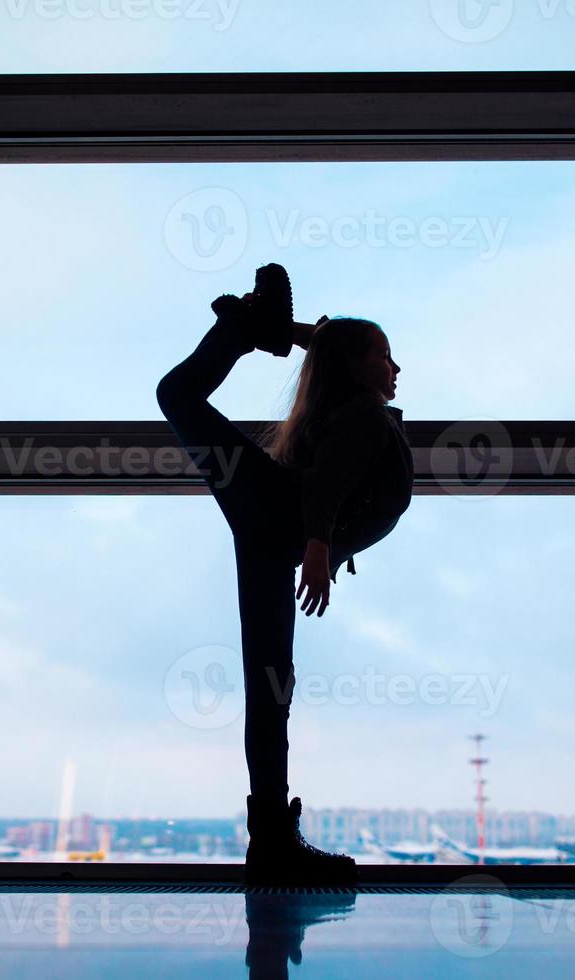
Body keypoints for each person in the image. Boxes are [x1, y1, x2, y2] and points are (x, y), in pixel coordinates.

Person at [155, 263, 414, 886]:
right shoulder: (363, 415)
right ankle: (245, 328)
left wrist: (295, 332)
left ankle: (271, 835)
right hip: (278, 522)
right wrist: (321, 549)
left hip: (271, 534)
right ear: (354, 368)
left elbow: (335, 481)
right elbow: (326, 486)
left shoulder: (354, 412)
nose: (396, 367)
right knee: (177, 396)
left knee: (270, 685)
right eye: (383, 355)